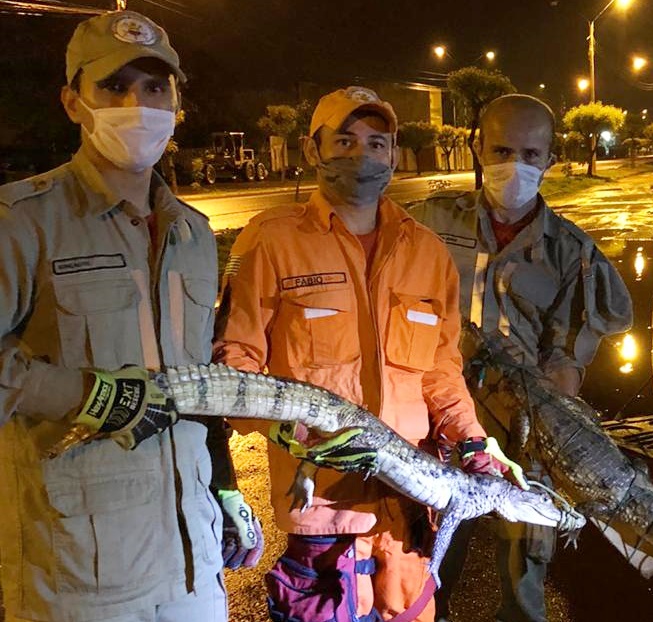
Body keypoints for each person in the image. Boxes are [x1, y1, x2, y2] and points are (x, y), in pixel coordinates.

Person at [214, 86, 521, 622]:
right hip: (321, 518)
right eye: (345, 140)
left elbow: (440, 371)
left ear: (394, 155)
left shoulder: (426, 251)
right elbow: (234, 360)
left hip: (407, 513)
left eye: (377, 143)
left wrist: (472, 440)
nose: (362, 155)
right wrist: (287, 430)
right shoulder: (270, 241)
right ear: (312, 151)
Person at [0, 10, 263, 622]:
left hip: (194, 565)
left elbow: (194, 389)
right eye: (113, 87)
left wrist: (223, 485)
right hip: (75, 578)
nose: (137, 104)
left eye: (155, 87)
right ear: (73, 102)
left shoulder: (193, 235)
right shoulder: (24, 222)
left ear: (176, 104)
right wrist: (87, 394)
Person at [410, 93, 633, 622]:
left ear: (550, 159)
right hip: (434, 418)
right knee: (427, 551)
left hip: (522, 422)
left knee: (527, 556)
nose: (516, 165)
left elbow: (568, 353)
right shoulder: (421, 224)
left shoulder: (571, 252)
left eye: (531, 154)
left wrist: (554, 429)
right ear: (476, 148)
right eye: (502, 149)